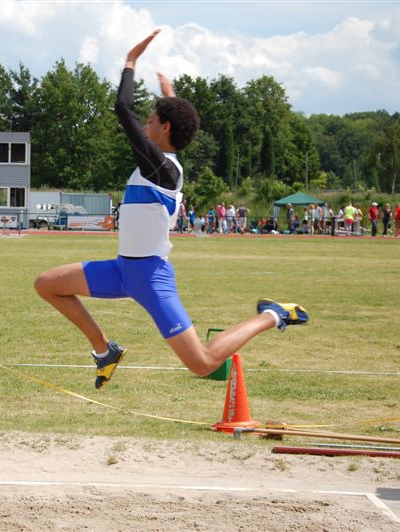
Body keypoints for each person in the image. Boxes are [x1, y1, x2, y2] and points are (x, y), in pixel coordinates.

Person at [34, 30, 308, 390]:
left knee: (204, 362)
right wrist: (170, 97)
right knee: (47, 285)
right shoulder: (161, 163)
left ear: (164, 129)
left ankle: (274, 314)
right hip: (122, 269)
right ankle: (105, 351)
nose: (143, 125)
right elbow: (174, 122)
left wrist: (131, 61)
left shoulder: (161, 168)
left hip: (150, 278)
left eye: (151, 121)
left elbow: (122, 109)